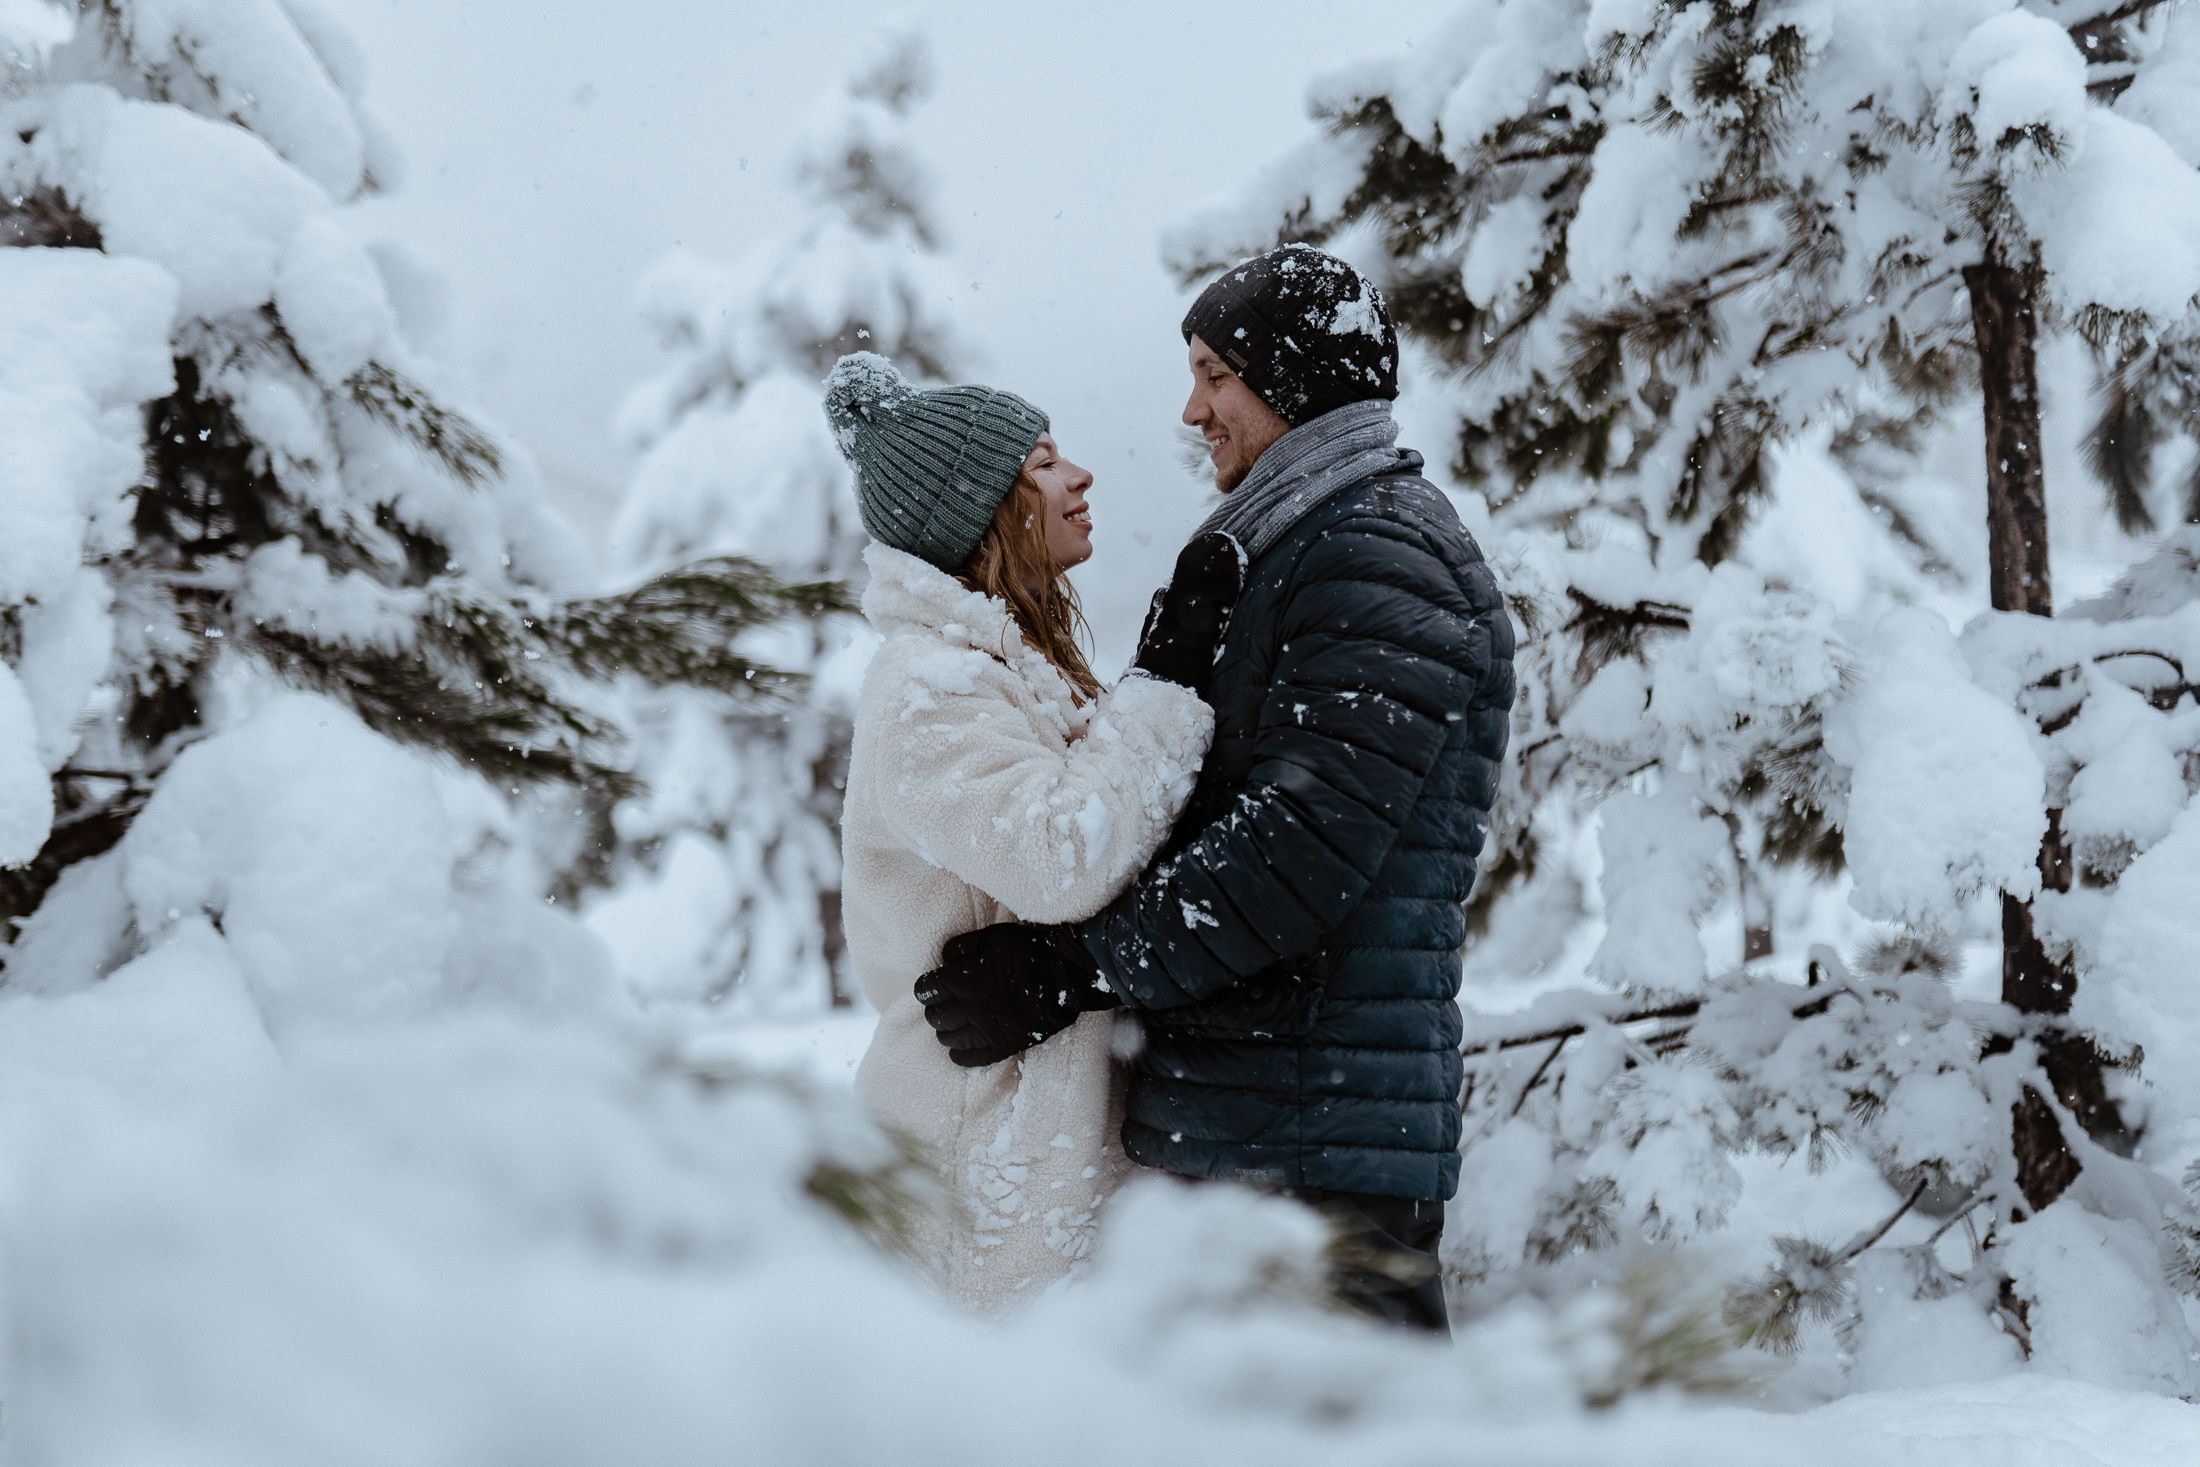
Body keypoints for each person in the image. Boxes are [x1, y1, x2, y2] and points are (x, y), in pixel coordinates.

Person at [914, 245, 1517, 1334]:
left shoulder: (1375, 552)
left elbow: (1301, 846)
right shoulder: (1301, 544)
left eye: (1215, 375)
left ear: (1292, 380)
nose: (1192, 412)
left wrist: (1077, 968)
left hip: (1312, 1136)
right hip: (1267, 1120)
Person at [825, 351, 1244, 1315]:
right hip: (978, 1153)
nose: (1080, 475)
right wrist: (1168, 681)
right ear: (985, 509)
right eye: (1045, 462)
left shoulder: (1006, 672)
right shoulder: (932, 688)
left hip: (1032, 1136)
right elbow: (1065, 854)